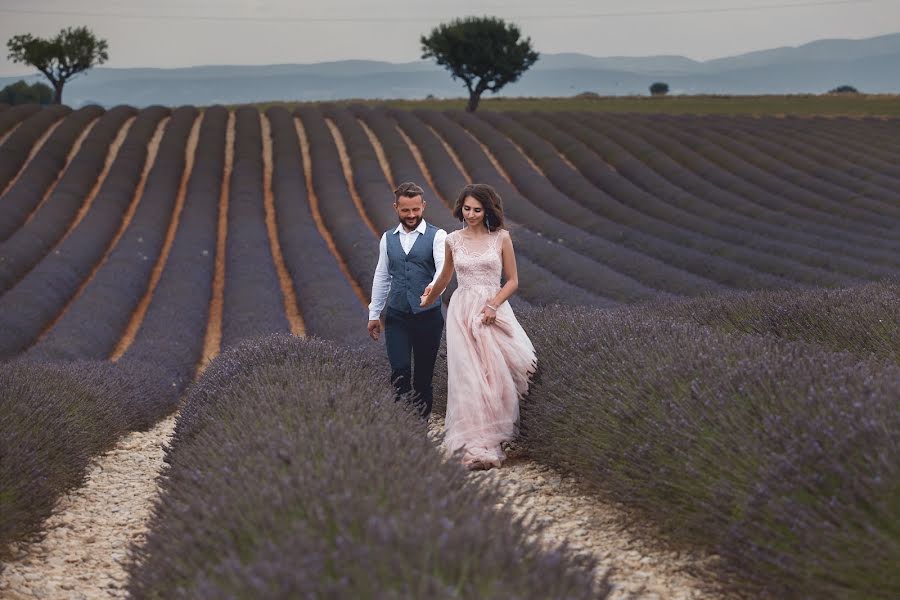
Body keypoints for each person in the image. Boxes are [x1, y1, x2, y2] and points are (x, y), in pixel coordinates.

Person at [420, 183, 536, 470]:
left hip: (493, 309)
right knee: (469, 378)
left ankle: (496, 437)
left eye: (477, 209)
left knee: (503, 373)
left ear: (488, 210)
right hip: (463, 312)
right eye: (466, 208)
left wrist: (493, 305)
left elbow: (512, 281)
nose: (470, 214)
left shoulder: (502, 238)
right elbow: (445, 277)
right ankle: (476, 447)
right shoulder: (453, 240)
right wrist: (428, 297)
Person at [368, 182, 447, 420]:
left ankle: (421, 427)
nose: (411, 215)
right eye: (405, 210)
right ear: (396, 208)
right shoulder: (387, 239)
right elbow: (382, 276)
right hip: (397, 315)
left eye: (416, 209)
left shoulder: (438, 236)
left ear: (423, 206)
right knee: (400, 371)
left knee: (423, 376)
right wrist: (374, 314)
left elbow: (443, 270)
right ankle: (404, 425)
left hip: (428, 317)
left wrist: (431, 291)